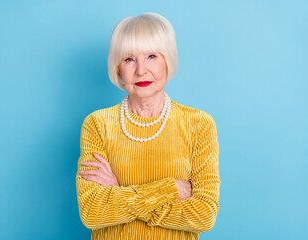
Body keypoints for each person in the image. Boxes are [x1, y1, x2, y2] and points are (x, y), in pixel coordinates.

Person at [76, 12, 221, 240]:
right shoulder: (97, 124)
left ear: (168, 61)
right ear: (118, 69)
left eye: (152, 56)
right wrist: (169, 188)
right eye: (129, 59)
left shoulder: (199, 124)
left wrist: (119, 194)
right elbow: (92, 213)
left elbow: (204, 216)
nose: (141, 70)